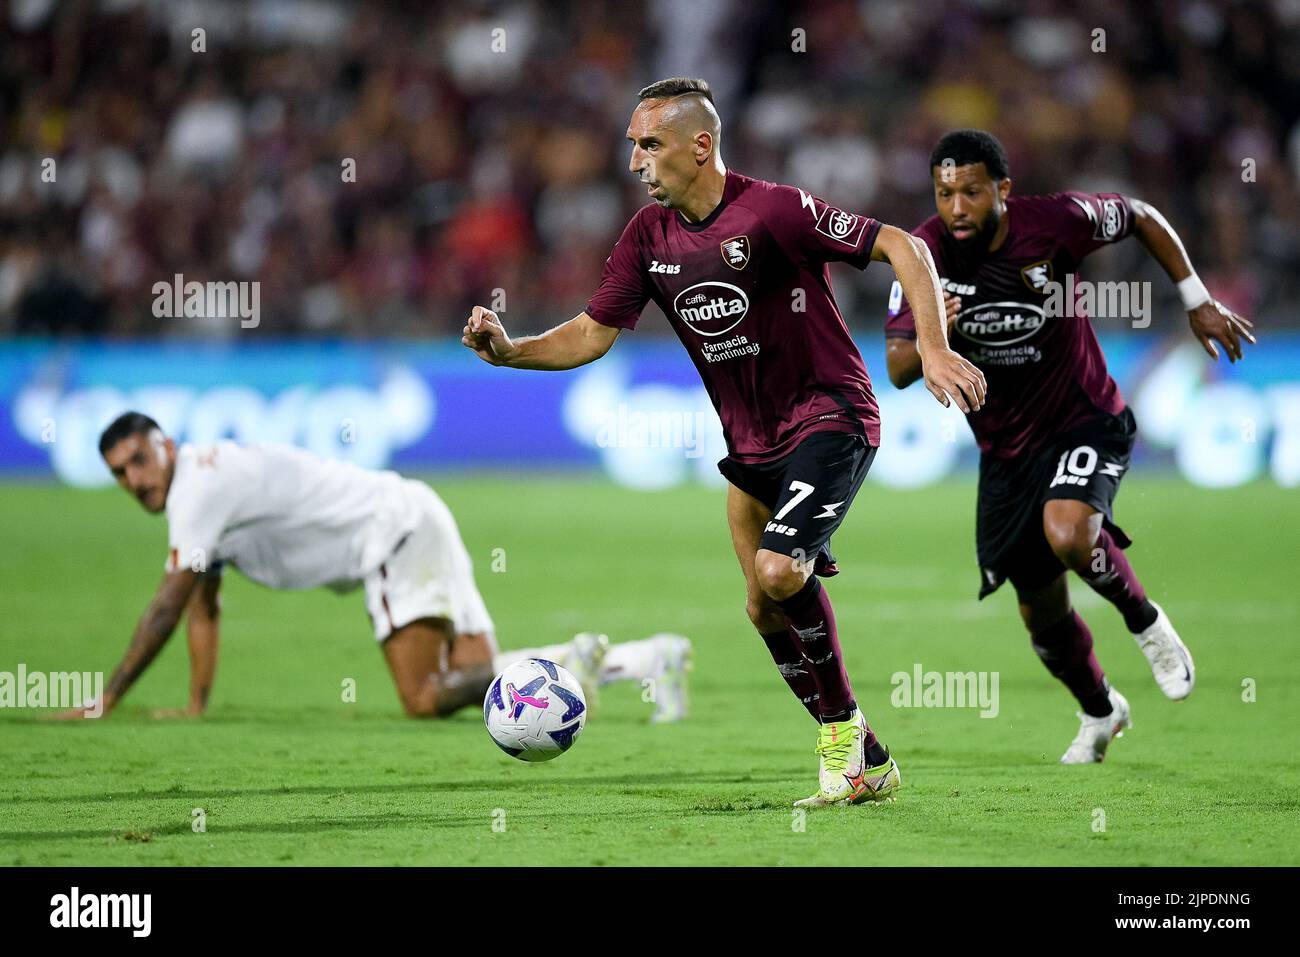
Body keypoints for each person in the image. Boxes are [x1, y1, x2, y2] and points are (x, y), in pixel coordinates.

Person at [462, 77, 986, 806]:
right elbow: (591, 331)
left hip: (830, 413)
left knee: (779, 571)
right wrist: (512, 350)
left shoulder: (772, 210)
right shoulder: (647, 237)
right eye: (632, 146)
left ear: (700, 145)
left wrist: (930, 347)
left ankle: (841, 739)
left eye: (650, 144)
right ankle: (868, 758)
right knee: (762, 606)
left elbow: (899, 244)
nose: (636, 161)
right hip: (750, 445)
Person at [884, 129, 1255, 763]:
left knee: (1069, 532)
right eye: (945, 194)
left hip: (1084, 418)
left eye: (971, 192)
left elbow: (1141, 216)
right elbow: (896, 367)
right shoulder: (923, 256)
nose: (957, 208)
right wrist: (932, 333)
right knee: (1040, 613)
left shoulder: (1057, 222)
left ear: (1002, 189)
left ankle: (1146, 623)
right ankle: (1101, 709)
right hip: (1005, 450)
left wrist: (1195, 299)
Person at [57, 411, 691, 722]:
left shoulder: (197, 490)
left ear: (165, 445)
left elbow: (168, 605)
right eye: (119, 473)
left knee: (420, 699)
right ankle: (645, 660)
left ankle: (564, 672)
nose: (134, 480)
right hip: (417, 511)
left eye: (139, 460)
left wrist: (107, 698)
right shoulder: (203, 483)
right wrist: (196, 703)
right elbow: (203, 603)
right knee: (475, 679)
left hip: (390, 538)